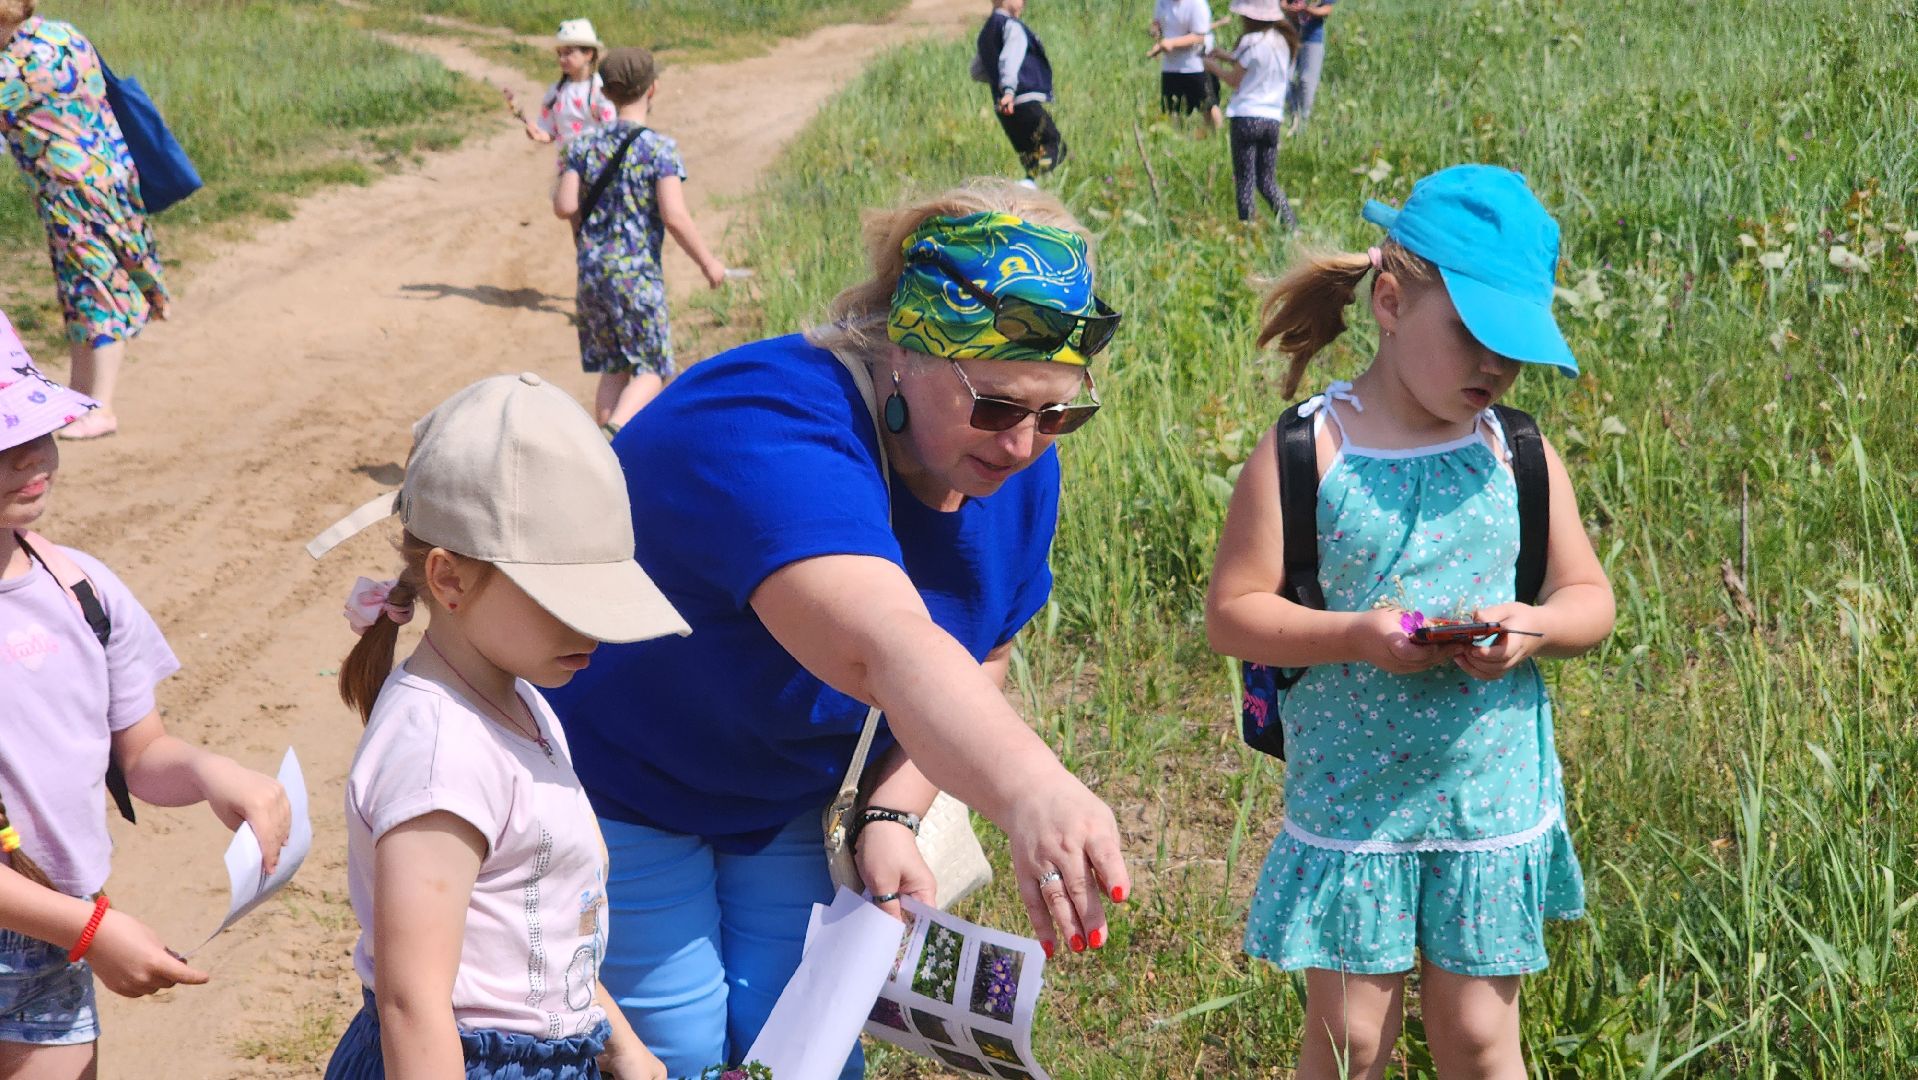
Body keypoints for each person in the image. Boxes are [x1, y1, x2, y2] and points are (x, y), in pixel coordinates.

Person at [544, 180, 1130, 1078]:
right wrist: (1032, 790)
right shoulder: (768, 424)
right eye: (1001, 405)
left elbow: (983, 650)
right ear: (904, 349)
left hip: (778, 790)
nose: (1025, 443)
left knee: (806, 1042)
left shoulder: (1006, 463)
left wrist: (895, 808)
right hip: (620, 778)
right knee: (677, 1046)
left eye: (1058, 414)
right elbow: (884, 643)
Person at [1205, 165, 1616, 1079]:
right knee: (1352, 1040)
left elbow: (1591, 597)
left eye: (1513, 348)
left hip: (1485, 796)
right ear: (1390, 303)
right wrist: (1354, 634)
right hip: (1356, 801)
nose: (1494, 367)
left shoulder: (1518, 453)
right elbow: (1233, 615)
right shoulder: (1308, 451)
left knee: (1477, 1037)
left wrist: (1531, 629)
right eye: (1472, 336)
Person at [318, 371, 681, 1080]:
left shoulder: (523, 700)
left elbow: (532, 930)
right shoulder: (438, 750)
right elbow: (412, 1001)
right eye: (564, 599)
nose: (595, 628)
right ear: (449, 579)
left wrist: (620, 1045)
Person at [0, 310, 290, 1080]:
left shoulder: (84, 591)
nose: (29, 453)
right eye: (1, 442)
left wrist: (204, 774)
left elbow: (140, 751)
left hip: (50, 923)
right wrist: (91, 932)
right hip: (65, 921)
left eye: (36, 427)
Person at [0, 2, 170, 441]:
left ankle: (101, 407)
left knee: (94, 291)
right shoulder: (64, 35)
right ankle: (79, 397)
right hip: (112, 173)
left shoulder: (10, 70)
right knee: (83, 288)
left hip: (71, 190)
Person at [553, 47, 726, 435]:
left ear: (605, 92)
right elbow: (674, 216)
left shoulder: (581, 146)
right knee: (653, 368)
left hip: (593, 275)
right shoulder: (658, 149)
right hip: (637, 277)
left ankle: (605, 452)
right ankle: (613, 435)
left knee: (613, 367)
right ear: (653, 89)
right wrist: (708, 263)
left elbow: (564, 205)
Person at [1203, 0, 1299, 228]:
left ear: (1249, 18)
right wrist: (1226, 56)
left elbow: (1234, 80)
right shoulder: (1283, 42)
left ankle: (1247, 229)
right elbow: (1250, 61)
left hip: (1246, 116)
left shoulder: (1250, 41)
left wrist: (1211, 66)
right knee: (1267, 181)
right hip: (1272, 119)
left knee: (1245, 180)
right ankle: (1292, 226)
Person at [977, 0, 1067, 180]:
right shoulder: (1011, 27)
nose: (1024, 3)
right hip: (1022, 100)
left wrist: (999, 83)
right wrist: (1009, 90)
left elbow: (977, 71)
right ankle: (1028, 184)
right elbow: (1009, 60)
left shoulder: (986, 33)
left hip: (1004, 109)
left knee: (1030, 154)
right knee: (1054, 146)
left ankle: (1029, 186)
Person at [512, 18, 615, 154]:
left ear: (588, 54)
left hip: (597, 162)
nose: (562, 59)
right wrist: (539, 134)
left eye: (568, 53)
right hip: (567, 163)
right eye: (560, 54)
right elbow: (549, 129)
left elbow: (612, 127)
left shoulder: (601, 88)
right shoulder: (556, 92)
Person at [1151, 0, 1222, 131]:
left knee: (1208, 106)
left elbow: (1199, 37)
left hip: (1196, 65)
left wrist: (1171, 43)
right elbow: (1157, 23)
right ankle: (1175, 140)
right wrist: (1156, 33)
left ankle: (1215, 137)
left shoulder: (1197, 4)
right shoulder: (1162, 2)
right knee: (1171, 110)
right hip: (1171, 66)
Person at [1282, 0, 1334, 130]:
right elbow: (1282, 4)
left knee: (1307, 81)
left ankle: (1302, 122)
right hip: (1290, 36)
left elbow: (1327, 9)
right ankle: (1293, 112)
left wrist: (1308, 10)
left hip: (1313, 39)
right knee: (1282, 78)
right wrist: (1291, 9)